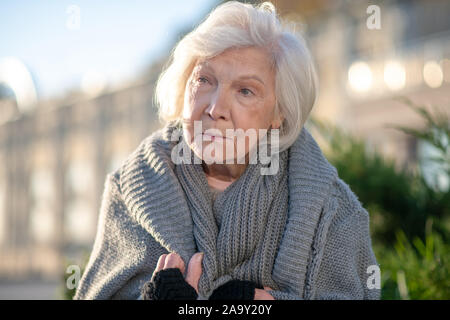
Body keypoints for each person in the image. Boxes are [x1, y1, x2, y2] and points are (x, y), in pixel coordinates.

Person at [74, 1, 380, 300]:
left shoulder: (333, 211)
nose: (216, 108)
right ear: (184, 89)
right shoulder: (131, 189)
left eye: (245, 91)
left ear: (279, 113)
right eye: (204, 80)